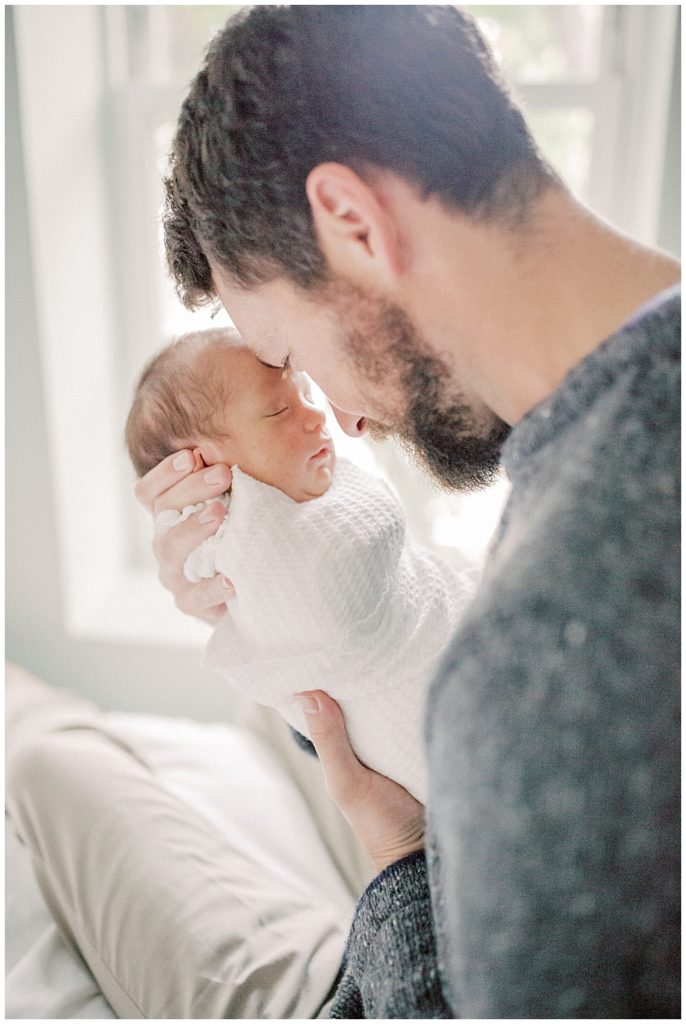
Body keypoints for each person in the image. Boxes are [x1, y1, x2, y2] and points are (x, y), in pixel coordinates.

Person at [8, 4, 679, 1018]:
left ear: (354, 223)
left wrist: (393, 854)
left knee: (47, 759)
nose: (345, 424)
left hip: (390, 951)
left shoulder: (542, 646)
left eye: (284, 355)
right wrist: (272, 618)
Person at [126, 326, 471, 802]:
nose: (317, 416)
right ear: (205, 468)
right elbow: (347, 570)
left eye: (306, 393)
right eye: (278, 410)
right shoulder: (247, 547)